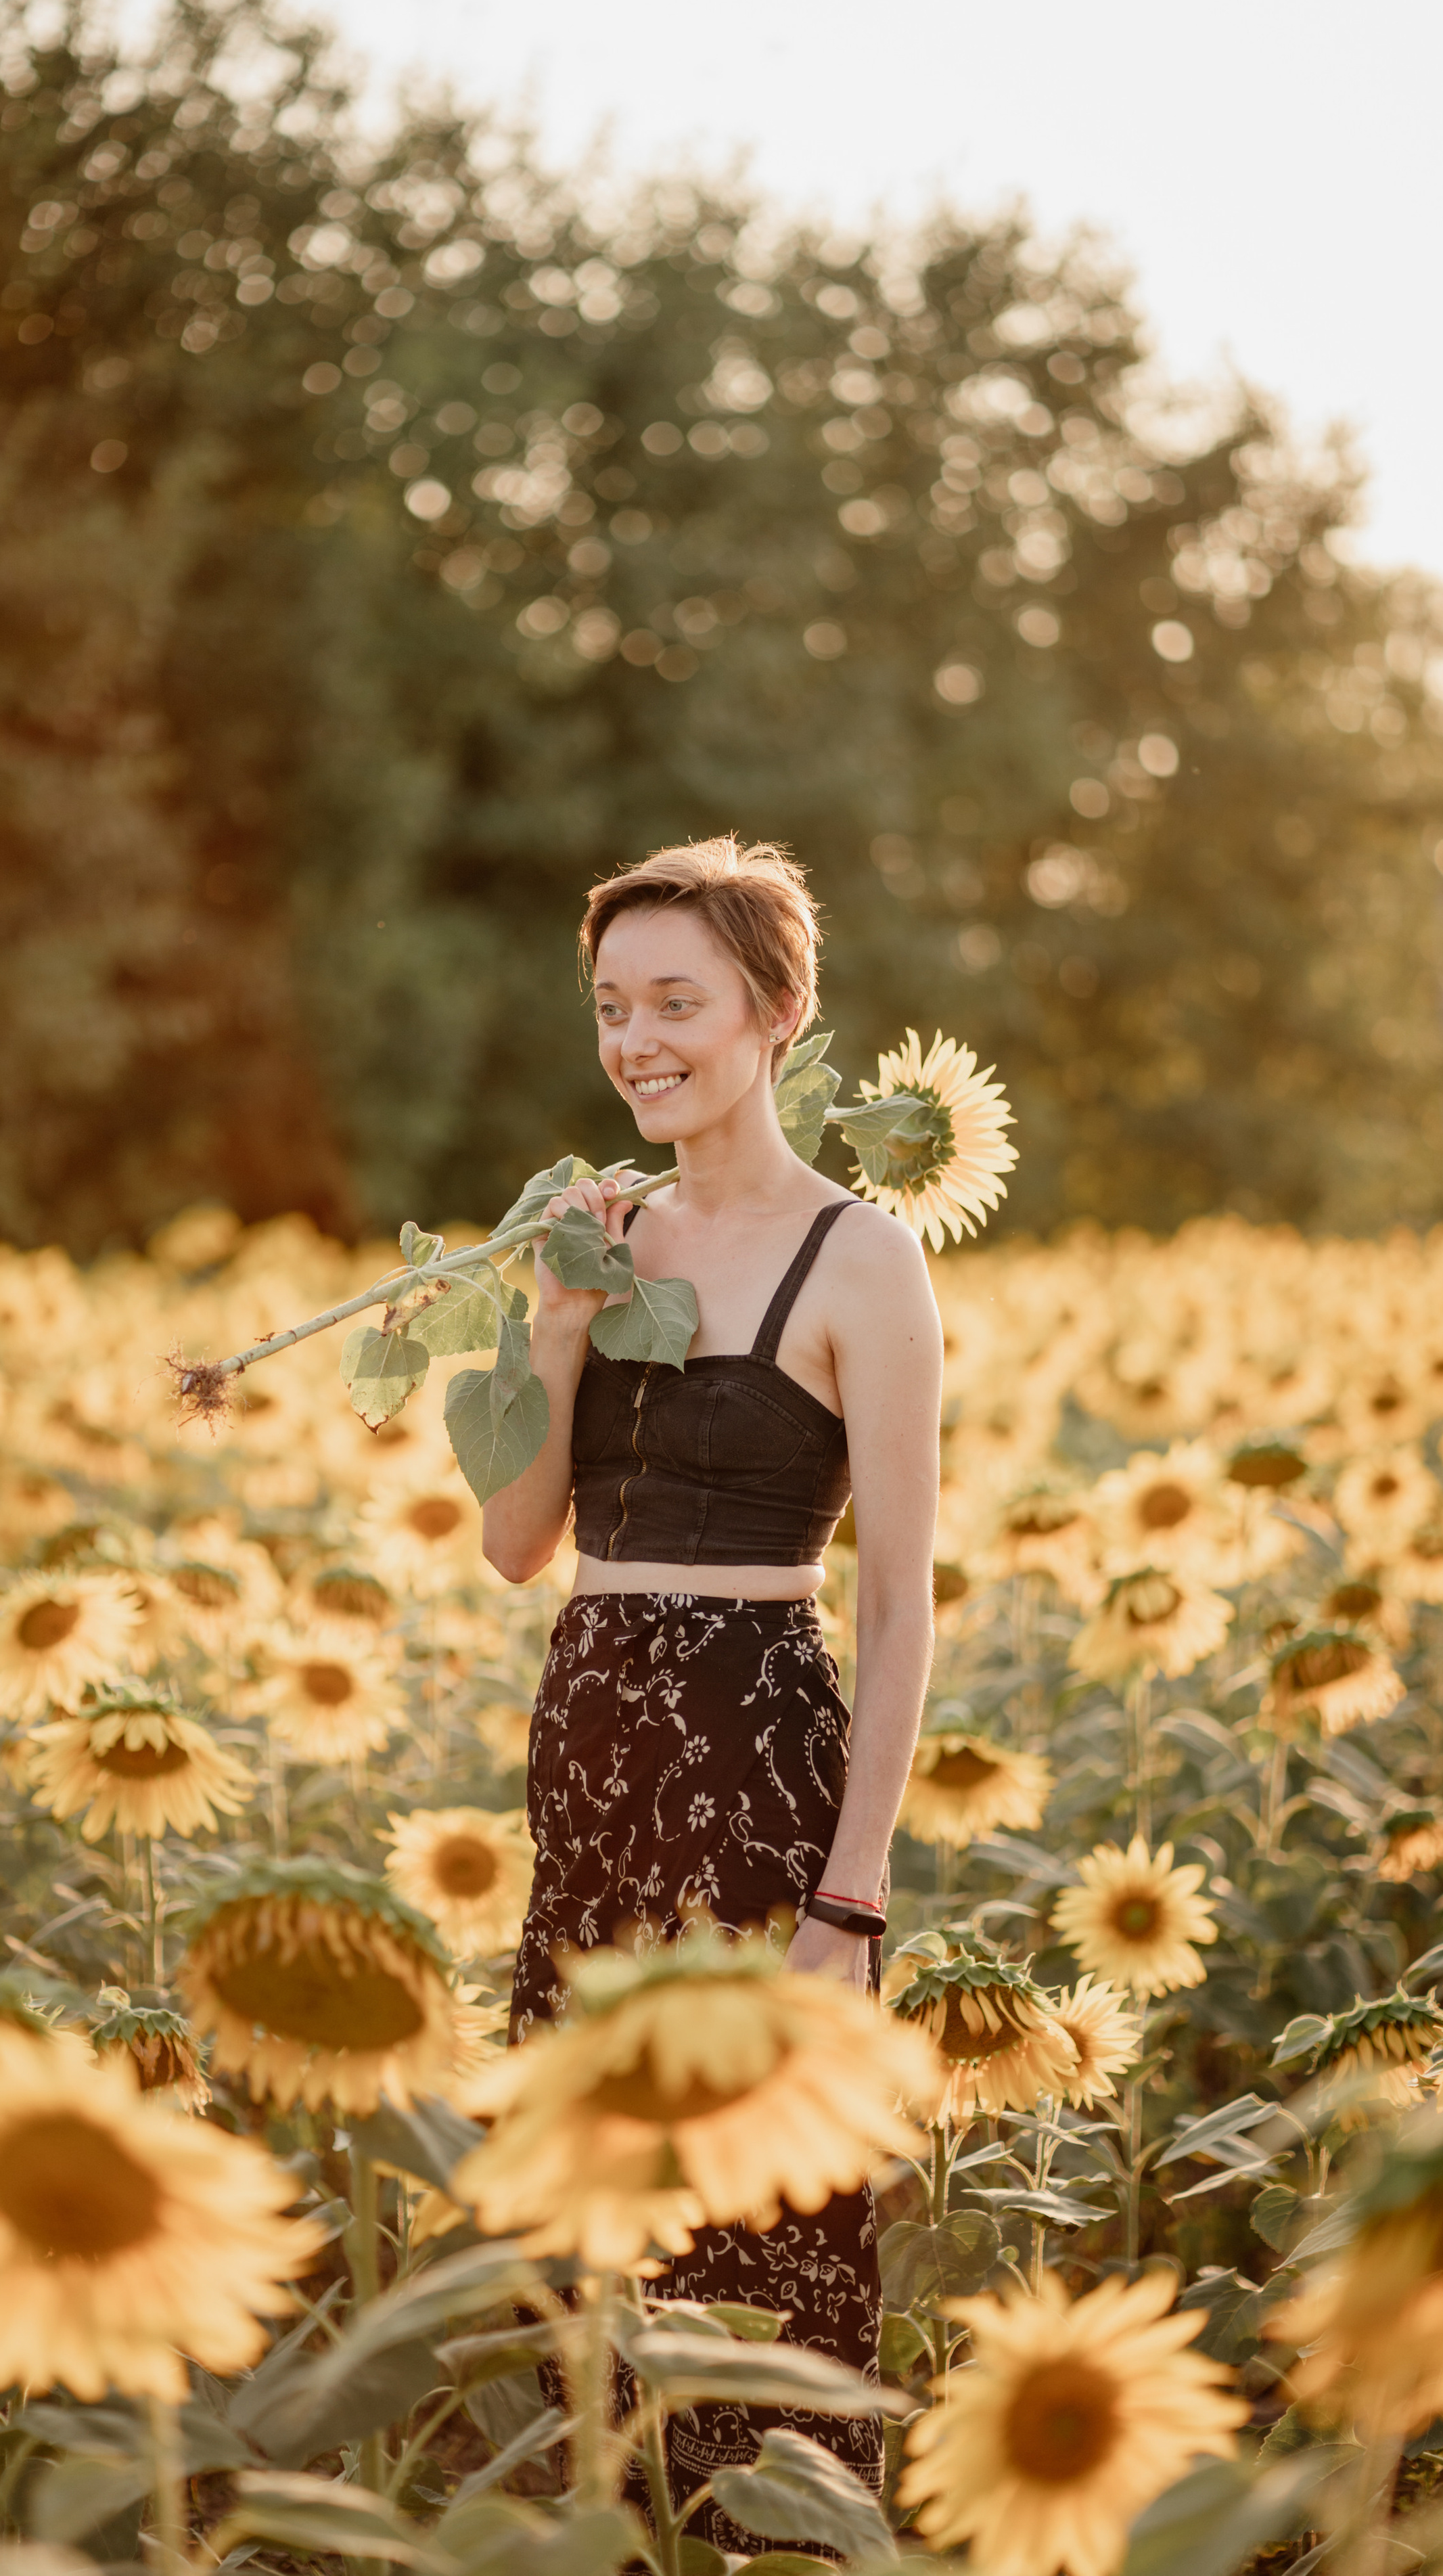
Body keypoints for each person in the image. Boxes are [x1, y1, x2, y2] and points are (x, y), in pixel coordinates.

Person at [482, 835, 942, 2541]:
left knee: (768, 2225)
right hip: (588, 1769)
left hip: (759, 1774)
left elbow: (896, 1602)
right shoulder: (596, 1235)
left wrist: (850, 1893)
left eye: (675, 1001)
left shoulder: (864, 1258)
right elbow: (513, 1545)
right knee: (591, 2230)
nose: (635, 1039)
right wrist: (548, 1313)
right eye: (611, 1007)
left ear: (773, 1011)